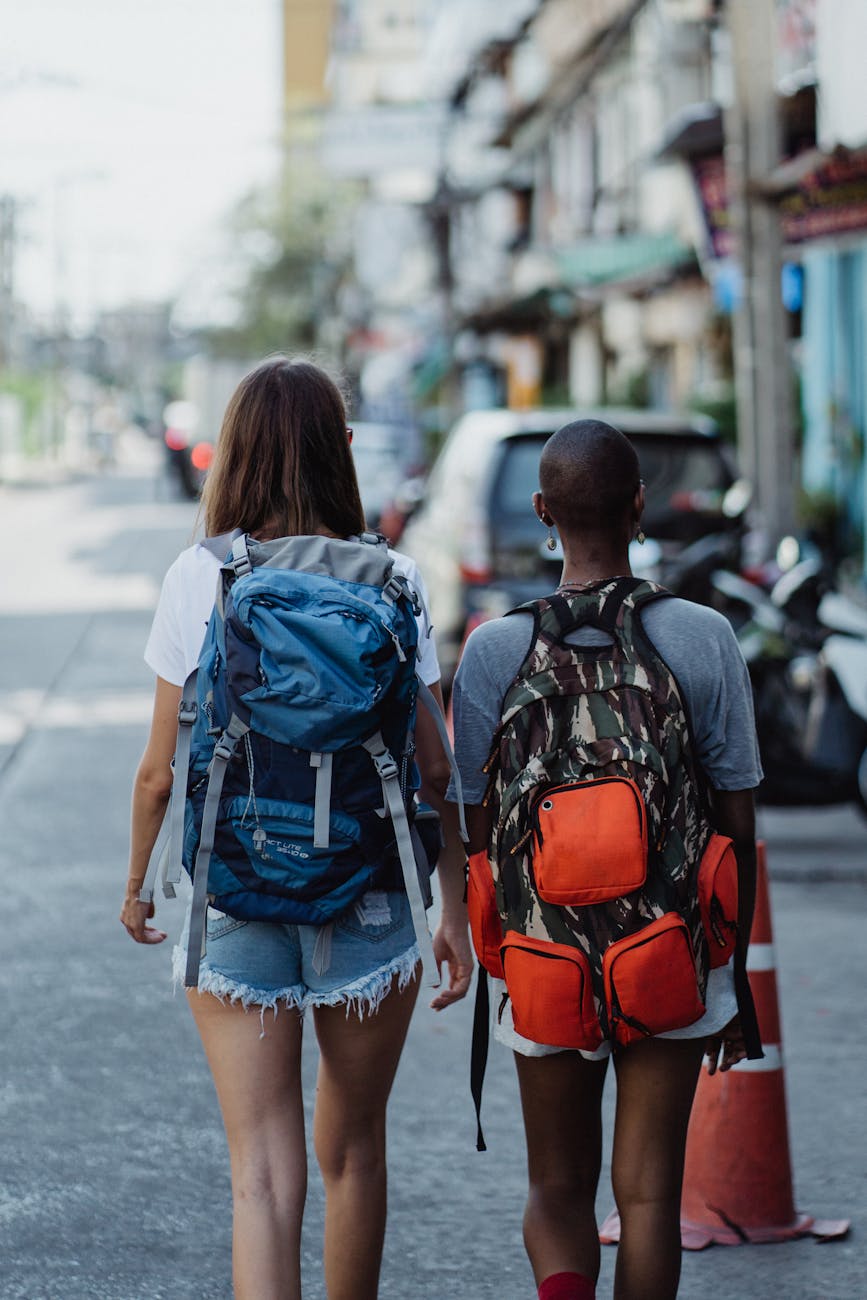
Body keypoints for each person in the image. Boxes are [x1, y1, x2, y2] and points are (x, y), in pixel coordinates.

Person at [119, 357, 473, 1300]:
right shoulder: (395, 577)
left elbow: (158, 772)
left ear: (231, 453)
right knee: (353, 1151)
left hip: (236, 888)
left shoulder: (201, 574)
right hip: (370, 892)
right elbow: (436, 771)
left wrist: (137, 884)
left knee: (262, 1178)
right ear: (342, 451)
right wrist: (454, 911)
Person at [449, 419, 762, 1300]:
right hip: (668, 952)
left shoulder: (494, 649)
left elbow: (471, 825)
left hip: (542, 957)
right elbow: (737, 822)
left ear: (541, 511)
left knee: (556, 1189)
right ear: (639, 505)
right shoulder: (701, 636)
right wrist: (732, 987)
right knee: (650, 1196)